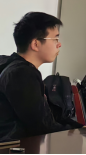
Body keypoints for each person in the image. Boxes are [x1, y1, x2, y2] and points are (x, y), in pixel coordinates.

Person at [0, 12, 73, 142]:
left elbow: (48, 117)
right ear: (35, 44)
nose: (59, 44)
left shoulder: (13, 66)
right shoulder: (22, 74)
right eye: (55, 39)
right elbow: (41, 126)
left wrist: (80, 128)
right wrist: (77, 133)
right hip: (14, 147)